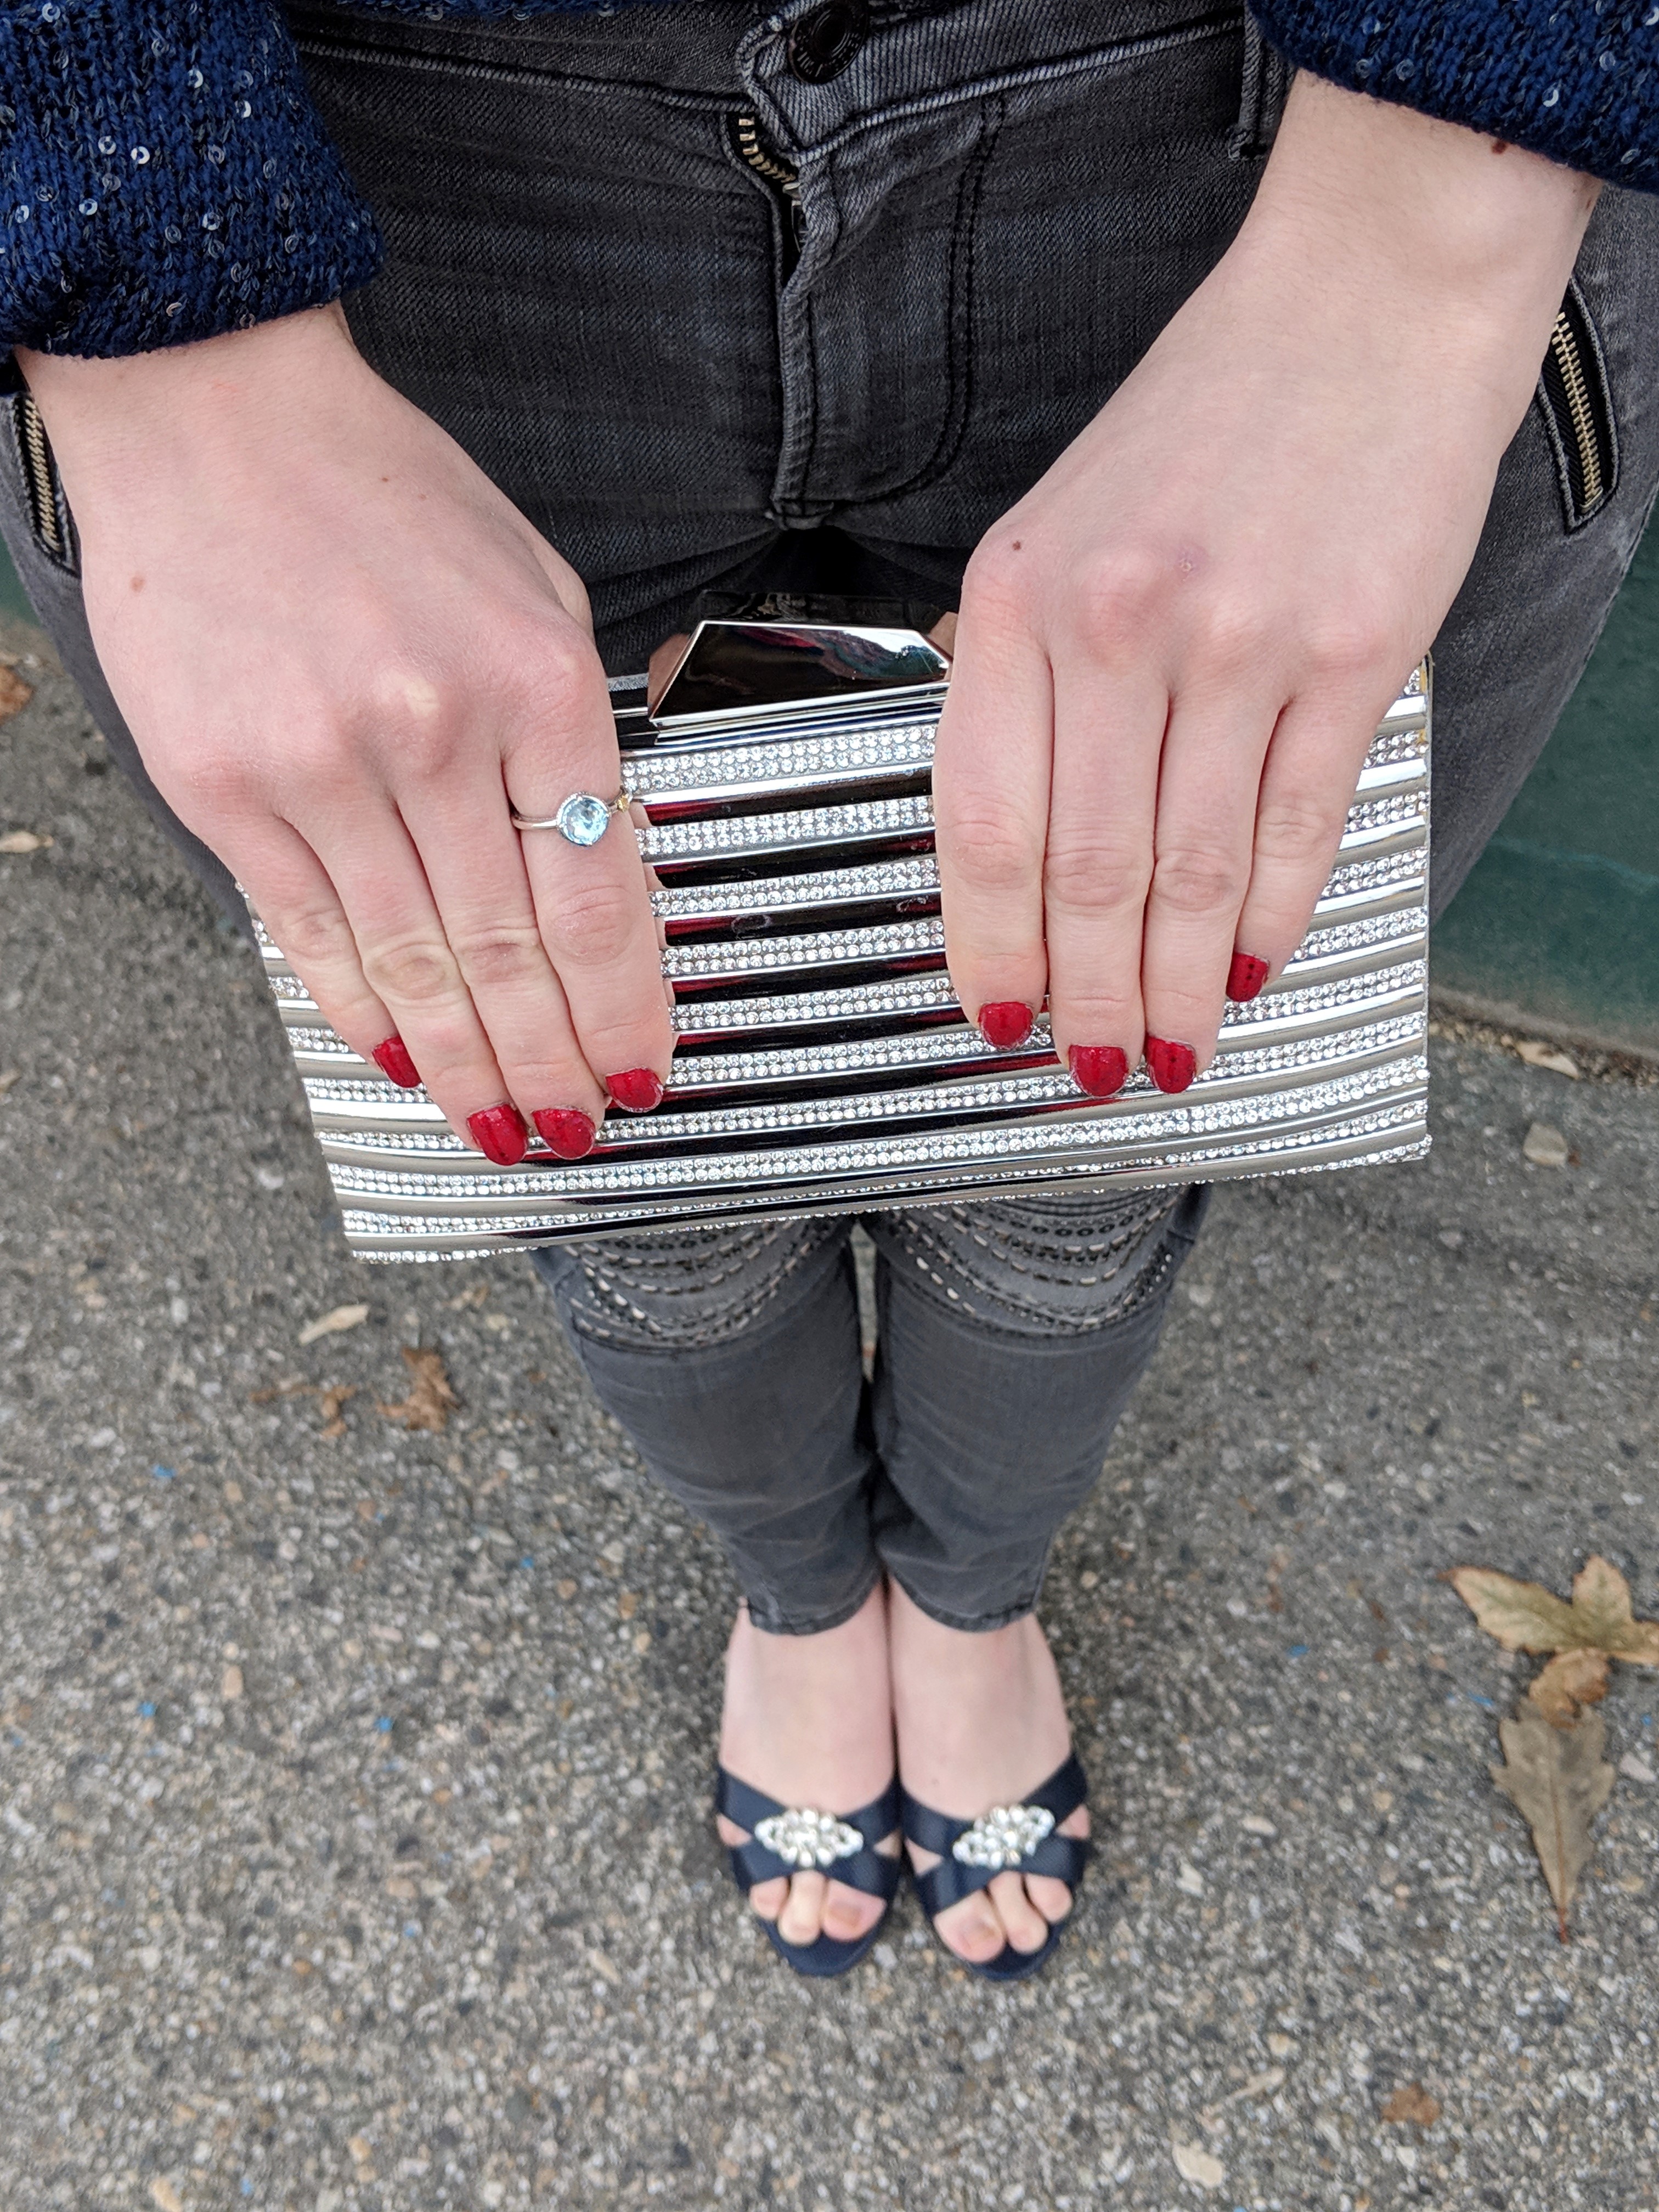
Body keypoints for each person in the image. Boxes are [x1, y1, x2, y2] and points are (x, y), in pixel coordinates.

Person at [3, 0, 1655, 1979]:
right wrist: (146, 286)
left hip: (1289, 125)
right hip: (326, 161)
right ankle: (801, 1590)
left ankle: (966, 1592)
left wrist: (1415, 240)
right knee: (614, 1144)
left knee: (1098, 1106)